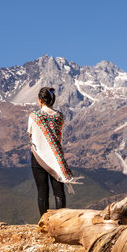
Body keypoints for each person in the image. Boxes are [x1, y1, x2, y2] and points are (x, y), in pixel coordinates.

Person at [27, 87, 83, 216]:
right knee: (58, 190)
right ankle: (61, 220)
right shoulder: (59, 116)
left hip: (38, 156)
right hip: (56, 156)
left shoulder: (34, 116)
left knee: (42, 191)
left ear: (40, 100)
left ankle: (44, 222)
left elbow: (30, 133)